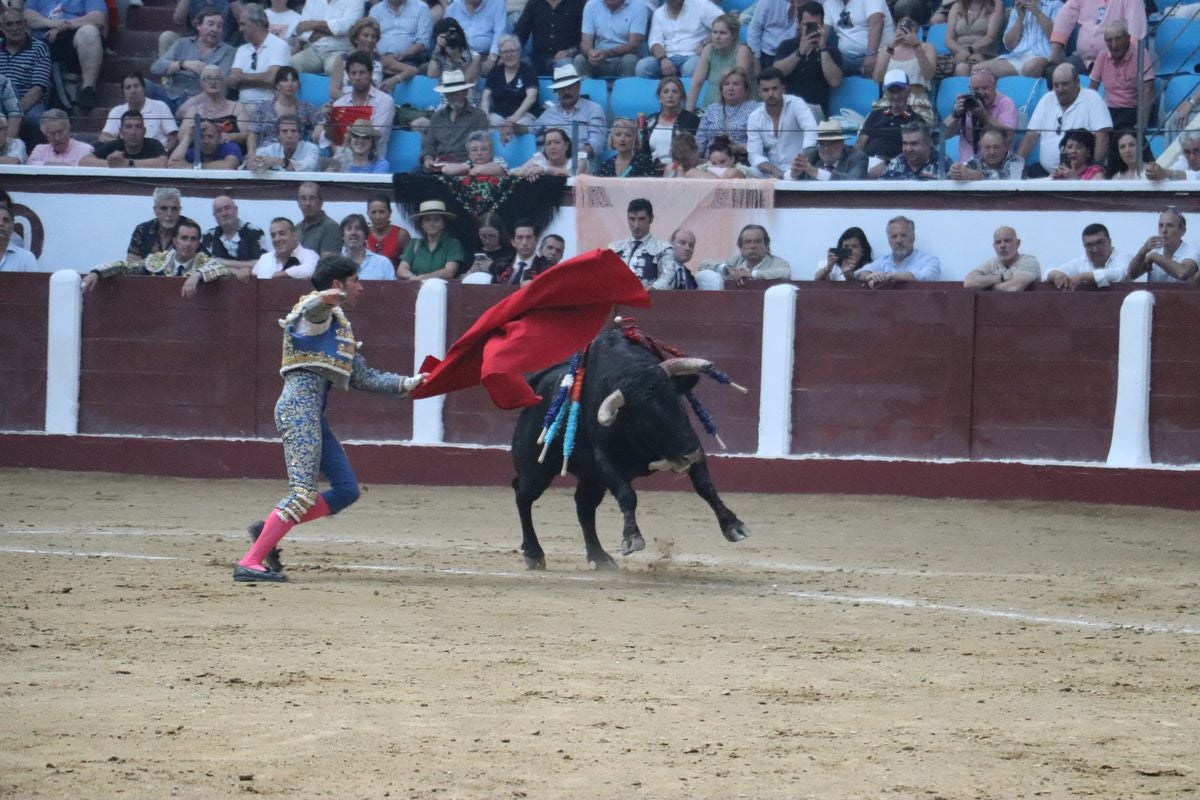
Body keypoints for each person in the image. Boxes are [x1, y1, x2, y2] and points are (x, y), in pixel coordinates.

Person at [234, 254, 426, 582]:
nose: (361, 288)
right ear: (338, 285)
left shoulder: (338, 328)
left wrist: (408, 383)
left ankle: (267, 530)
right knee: (302, 491)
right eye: (355, 281)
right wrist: (326, 298)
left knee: (347, 490)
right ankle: (249, 562)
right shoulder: (316, 315)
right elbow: (313, 310)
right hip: (299, 412)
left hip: (313, 417)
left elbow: (363, 377)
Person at [83, 220, 238, 298]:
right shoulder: (158, 261)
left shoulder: (204, 262)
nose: (188, 243)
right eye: (184, 238)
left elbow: (224, 269)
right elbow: (125, 267)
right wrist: (97, 272)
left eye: (193, 239)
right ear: (175, 241)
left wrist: (198, 275)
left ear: (198, 243)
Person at [1018, 63, 1111, 178]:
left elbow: (1102, 138)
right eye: (1056, 85)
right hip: (1047, 173)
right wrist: (1016, 166)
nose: (1060, 90)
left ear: (1077, 81)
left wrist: (1091, 172)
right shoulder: (1047, 99)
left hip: (1082, 175)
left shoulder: (1092, 98)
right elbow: (1030, 137)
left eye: (1064, 84)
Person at [24, 0, 105, 112]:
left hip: (73, 40)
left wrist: (65, 25)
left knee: (89, 32)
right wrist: (50, 23)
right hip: (43, 41)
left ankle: (88, 89)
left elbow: (98, 18)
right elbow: (26, 15)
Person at [151, 7, 236, 112]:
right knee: (143, 85)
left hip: (198, 102)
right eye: (210, 24)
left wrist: (190, 104)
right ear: (198, 25)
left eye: (219, 26)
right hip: (171, 95)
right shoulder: (182, 43)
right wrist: (183, 64)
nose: (215, 29)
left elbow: (221, 84)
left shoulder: (228, 51)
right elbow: (156, 68)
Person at [772, 1, 843, 118]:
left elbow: (835, 81)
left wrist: (822, 49)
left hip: (815, 111)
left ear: (822, 25)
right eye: (807, 25)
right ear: (798, 24)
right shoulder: (787, 46)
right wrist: (800, 52)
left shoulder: (831, 50)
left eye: (815, 25)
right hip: (788, 108)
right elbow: (776, 73)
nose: (811, 29)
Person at [746, 67, 819, 178]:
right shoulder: (754, 117)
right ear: (759, 93)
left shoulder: (796, 104)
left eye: (774, 88)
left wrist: (801, 162)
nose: (770, 94)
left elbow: (811, 132)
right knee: (749, 172)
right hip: (772, 172)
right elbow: (754, 154)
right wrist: (773, 170)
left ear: (783, 89)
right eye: (765, 90)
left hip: (801, 168)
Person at [320, 50, 397, 150]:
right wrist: (328, 123)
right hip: (343, 157)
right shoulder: (339, 104)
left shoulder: (385, 101)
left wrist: (347, 131)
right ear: (348, 76)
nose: (357, 77)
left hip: (371, 157)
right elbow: (330, 140)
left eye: (362, 72)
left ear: (370, 74)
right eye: (353, 73)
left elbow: (376, 136)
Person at [533, 64, 607, 165]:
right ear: (557, 91)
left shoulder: (594, 109)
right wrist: (516, 127)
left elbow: (596, 142)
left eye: (570, 87)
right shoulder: (549, 112)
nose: (566, 92)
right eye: (562, 88)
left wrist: (576, 157)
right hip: (551, 161)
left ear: (578, 86)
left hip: (580, 162)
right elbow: (531, 129)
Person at [1088, 21, 1154, 134]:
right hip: (1110, 109)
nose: (1114, 45)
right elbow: (1092, 89)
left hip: (1133, 108)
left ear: (1128, 38)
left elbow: (1148, 90)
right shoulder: (1102, 56)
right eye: (1109, 40)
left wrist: (1142, 123)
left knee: (1109, 129)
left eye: (1118, 39)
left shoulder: (1141, 54)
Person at [420, 68, 490, 173]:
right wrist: (428, 158)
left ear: (465, 92)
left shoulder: (478, 116)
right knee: (411, 175)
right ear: (445, 95)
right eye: (450, 93)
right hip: (439, 163)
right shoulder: (437, 117)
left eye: (457, 93)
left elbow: (482, 146)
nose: (453, 96)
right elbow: (429, 144)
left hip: (465, 165)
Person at [245, 66, 323, 159]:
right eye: (285, 80)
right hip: (267, 153)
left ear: (298, 84)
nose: (290, 84)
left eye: (293, 80)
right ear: (277, 85)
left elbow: (322, 119)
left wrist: (319, 126)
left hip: (295, 155)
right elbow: (253, 134)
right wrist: (251, 153)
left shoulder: (305, 107)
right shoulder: (262, 107)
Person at [940, 67, 1015, 164]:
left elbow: (1008, 136)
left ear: (994, 86)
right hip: (967, 165)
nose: (981, 93)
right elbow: (943, 135)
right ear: (970, 89)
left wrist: (984, 117)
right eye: (976, 89)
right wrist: (955, 115)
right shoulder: (967, 103)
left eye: (985, 88)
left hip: (996, 165)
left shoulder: (1006, 103)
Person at [871, 7, 936, 117]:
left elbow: (929, 75)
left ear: (918, 28)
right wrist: (891, 46)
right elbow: (877, 78)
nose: (906, 29)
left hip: (917, 101)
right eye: (902, 25)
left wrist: (916, 46)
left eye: (911, 25)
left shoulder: (927, 48)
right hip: (890, 100)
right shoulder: (885, 50)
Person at [1048, 0, 1144, 74]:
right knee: (1059, 72)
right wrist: (1055, 51)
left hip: (1116, 63)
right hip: (1084, 60)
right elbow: (1066, 15)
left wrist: (1127, 63)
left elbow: (1136, 31)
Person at [636, 0, 721, 80]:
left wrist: (705, 44)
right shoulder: (658, 13)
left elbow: (723, 24)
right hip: (667, 56)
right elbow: (655, 42)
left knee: (691, 67)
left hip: (693, 55)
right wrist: (663, 59)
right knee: (643, 67)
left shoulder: (701, 5)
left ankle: (689, 91)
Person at [685, 14, 754, 113]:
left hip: (735, 110)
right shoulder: (708, 49)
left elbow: (740, 86)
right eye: (714, 32)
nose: (717, 37)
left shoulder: (742, 51)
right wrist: (687, 114)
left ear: (734, 35)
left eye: (722, 33)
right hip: (708, 109)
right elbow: (697, 83)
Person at [0, 8, 51, 141]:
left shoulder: (39, 48)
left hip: (30, 104)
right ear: (2, 27)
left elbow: (38, 89)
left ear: (25, 24)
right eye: (9, 24)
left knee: (36, 121)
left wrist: (14, 111)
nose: (15, 28)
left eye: (19, 23)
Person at [976, 0, 1060, 79]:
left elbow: (1057, 37)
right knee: (977, 70)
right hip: (1018, 56)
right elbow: (1009, 44)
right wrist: (1020, 18)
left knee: (1029, 67)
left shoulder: (1055, 5)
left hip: (1043, 55)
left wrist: (1037, 13)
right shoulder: (1016, 9)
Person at [856, 69, 918, 176]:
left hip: (895, 167)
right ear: (885, 92)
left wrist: (888, 164)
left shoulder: (915, 120)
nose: (896, 96)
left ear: (908, 91)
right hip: (866, 162)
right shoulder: (875, 114)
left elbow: (914, 152)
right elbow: (860, 144)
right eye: (891, 91)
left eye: (899, 90)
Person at [227, 3, 291, 104]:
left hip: (269, 105)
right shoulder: (241, 50)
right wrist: (262, 80)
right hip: (242, 105)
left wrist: (242, 78)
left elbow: (271, 79)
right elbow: (233, 82)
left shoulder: (279, 46)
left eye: (243, 24)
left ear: (257, 24)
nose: (240, 29)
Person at [176, 66, 250, 151]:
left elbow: (249, 135)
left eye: (217, 78)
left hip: (229, 151)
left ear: (223, 82)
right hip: (199, 153)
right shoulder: (193, 110)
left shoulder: (237, 107)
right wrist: (194, 131)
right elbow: (181, 139)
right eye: (208, 78)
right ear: (201, 84)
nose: (213, 82)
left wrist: (233, 136)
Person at [100, 72, 179, 151]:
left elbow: (173, 138)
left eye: (136, 86)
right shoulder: (117, 111)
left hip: (156, 154)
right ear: (123, 93)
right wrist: (126, 145)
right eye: (128, 88)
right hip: (127, 155)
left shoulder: (160, 106)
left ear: (144, 88)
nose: (133, 91)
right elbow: (104, 137)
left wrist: (163, 153)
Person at [695, 65, 760, 160]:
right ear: (721, 89)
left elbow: (761, 143)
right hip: (710, 161)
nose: (730, 88)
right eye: (726, 84)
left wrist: (741, 148)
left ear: (745, 88)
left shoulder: (755, 109)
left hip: (741, 160)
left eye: (736, 84)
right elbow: (700, 142)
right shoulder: (712, 109)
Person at [607, 198, 677, 287]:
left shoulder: (664, 249)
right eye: (632, 219)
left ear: (651, 219)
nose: (636, 225)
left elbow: (668, 278)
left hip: (648, 295)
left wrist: (649, 291)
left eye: (641, 219)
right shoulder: (614, 248)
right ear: (627, 219)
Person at [1044, 222, 1133, 290]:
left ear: (1109, 242)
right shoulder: (1082, 261)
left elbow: (1121, 274)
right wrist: (1057, 275)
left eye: (1099, 243)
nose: (1095, 249)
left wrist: (1084, 276)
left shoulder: (1123, 257)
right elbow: (1047, 273)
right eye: (1089, 245)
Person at [856, 215, 940, 287]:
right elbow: (859, 273)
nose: (899, 241)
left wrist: (888, 276)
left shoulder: (929, 261)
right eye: (894, 236)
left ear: (913, 238)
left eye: (903, 235)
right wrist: (869, 276)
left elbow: (925, 276)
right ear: (889, 241)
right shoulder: (883, 261)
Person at [481, 34, 539, 138]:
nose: (508, 55)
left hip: (523, 115)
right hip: (499, 117)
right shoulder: (495, 72)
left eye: (512, 51)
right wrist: (485, 116)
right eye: (505, 52)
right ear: (500, 54)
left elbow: (531, 97)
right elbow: (485, 96)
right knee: (488, 125)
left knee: (517, 127)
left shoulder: (528, 71)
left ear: (519, 52)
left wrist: (514, 118)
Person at [573, 0, 647, 79]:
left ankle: (627, 87)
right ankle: (585, 87)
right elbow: (585, 42)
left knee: (630, 60)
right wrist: (591, 53)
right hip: (598, 60)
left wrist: (608, 53)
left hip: (622, 59)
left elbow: (634, 44)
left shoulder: (638, 5)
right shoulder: (592, 4)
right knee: (579, 60)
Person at [639, 76, 700, 168]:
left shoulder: (691, 119)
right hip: (652, 168)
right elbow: (644, 150)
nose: (670, 95)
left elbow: (695, 150)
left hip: (681, 168)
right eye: (666, 92)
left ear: (681, 97)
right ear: (660, 97)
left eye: (675, 92)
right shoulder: (651, 120)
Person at [1127, 208, 1199, 284]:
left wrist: (1155, 257)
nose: (1164, 230)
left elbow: (1183, 273)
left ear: (1182, 231)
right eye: (1161, 226)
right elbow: (1132, 275)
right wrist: (1142, 252)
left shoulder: (1192, 250)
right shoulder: (1154, 250)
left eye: (1170, 226)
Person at [819, 0, 891, 77]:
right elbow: (823, 32)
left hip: (878, 55)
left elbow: (876, 23)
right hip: (845, 59)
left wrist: (871, 54)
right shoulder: (829, 3)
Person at [397, 200, 465, 281]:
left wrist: (423, 278)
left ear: (443, 224)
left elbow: (449, 272)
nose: (432, 223)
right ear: (422, 224)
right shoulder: (413, 244)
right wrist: (412, 277)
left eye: (436, 220)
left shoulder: (453, 244)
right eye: (427, 220)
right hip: (415, 287)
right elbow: (401, 270)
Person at [290, 0, 363, 75]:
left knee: (334, 67)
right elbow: (301, 28)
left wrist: (314, 24)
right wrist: (333, 31)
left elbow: (347, 27)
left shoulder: (355, 1)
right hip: (314, 49)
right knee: (292, 63)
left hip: (339, 49)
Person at [513, 0, 584, 76]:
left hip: (564, 59)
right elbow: (520, 33)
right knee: (513, 67)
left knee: (566, 68)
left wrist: (570, 51)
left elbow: (585, 40)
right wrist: (511, 52)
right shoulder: (533, 4)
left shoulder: (577, 4)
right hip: (537, 58)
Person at [127, 186, 198, 262]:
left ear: (179, 210)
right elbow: (132, 258)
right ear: (155, 210)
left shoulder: (191, 229)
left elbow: (200, 259)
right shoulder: (142, 230)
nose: (169, 214)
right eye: (164, 208)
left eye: (174, 209)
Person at [201, 194, 267, 274]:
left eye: (227, 208)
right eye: (219, 211)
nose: (224, 213)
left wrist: (224, 262)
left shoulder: (254, 233)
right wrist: (235, 271)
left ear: (236, 210)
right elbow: (203, 265)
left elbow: (262, 264)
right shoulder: (208, 237)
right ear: (214, 216)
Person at [80, 110, 170, 168]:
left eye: (138, 127)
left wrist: (128, 163)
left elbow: (164, 163)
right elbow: (84, 161)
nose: (133, 132)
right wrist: (112, 163)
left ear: (144, 131)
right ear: (121, 132)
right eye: (128, 127)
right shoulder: (114, 145)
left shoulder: (154, 144)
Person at [326, 17, 391, 99]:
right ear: (356, 38)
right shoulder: (342, 59)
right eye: (365, 36)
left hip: (372, 104)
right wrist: (355, 102)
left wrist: (394, 80)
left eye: (373, 36)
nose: (370, 40)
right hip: (346, 102)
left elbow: (407, 70)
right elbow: (333, 92)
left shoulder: (381, 60)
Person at [962, 226, 1041, 290]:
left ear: (1017, 243)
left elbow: (1013, 288)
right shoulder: (991, 263)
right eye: (998, 242)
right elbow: (968, 282)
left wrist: (986, 286)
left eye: (1007, 241)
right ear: (994, 246)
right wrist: (1001, 278)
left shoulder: (1028, 261)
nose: (1002, 246)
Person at [372, 0, 433, 80]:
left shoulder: (421, 7)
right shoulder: (376, 10)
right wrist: (381, 57)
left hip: (407, 59)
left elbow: (422, 42)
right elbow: (369, 37)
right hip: (379, 59)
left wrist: (399, 56)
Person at [788, 119, 867, 180]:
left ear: (842, 143)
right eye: (822, 144)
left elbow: (854, 180)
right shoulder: (810, 156)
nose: (826, 148)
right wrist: (793, 175)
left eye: (831, 144)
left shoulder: (857, 157)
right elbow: (785, 178)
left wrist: (816, 172)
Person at [945, 0, 1004, 76]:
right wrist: (963, 52)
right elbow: (949, 40)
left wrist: (970, 50)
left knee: (962, 68)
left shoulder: (995, 4)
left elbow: (991, 36)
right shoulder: (957, 6)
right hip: (959, 54)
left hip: (984, 54)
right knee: (959, 67)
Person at [715, 223, 791, 281]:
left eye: (757, 241)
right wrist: (726, 269)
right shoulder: (737, 260)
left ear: (767, 245)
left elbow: (785, 273)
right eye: (747, 242)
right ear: (740, 247)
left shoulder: (776, 262)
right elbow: (708, 264)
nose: (752, 246)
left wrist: (751, 274)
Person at [444, 0, 505, 71]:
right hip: (458, 53)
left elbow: (500, 33)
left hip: (485, 56)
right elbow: (444, 31)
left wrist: (492, 59)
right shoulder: (454, 6)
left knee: (476, 61)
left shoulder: (497, 3)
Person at [253, 217, 320, 279]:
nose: (277, 239)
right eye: (273, 235)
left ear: (295, 236)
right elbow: (253, 281)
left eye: (282, 233)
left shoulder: (309, 255)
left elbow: (310, 270)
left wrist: (282, 274)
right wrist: (247, 273)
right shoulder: (265, 259)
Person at [249, 112, 320, 171]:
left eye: (293, 131)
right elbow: (256, 161)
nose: (289, 135)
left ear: (300, 134)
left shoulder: (311, 148)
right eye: (284, 131)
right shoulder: (271, 149)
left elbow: (308, 166)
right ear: (278, 135)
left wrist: (280, 162)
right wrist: (257, 163)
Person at [881, 121, 952, 180]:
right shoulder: (896, 163)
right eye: (905, 143)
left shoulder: (944, 164)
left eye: (914, 143)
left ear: (928, 143)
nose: (908, 149)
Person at [426, 16, 480, 90]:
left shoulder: (474, 57)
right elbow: (431, 74)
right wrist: (437, 48)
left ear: (459, 35)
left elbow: (466, 82)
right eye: (443, 37)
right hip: (445, 97)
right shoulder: (439, 55)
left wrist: (455, 57)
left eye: (450, 36)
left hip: (467, 96)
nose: (448, 39)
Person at [949, 127, 1024, 180]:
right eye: (987, 147)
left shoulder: (1016, 161)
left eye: (996, 147)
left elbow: (1006, 178)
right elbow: (962, 170)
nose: (992, 152)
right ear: (980, 148)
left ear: (1006, 147)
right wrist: (956, 171)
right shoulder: (976, 160)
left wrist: (977, 175)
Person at [168, 118, 243, 168]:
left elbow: (229, 166)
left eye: (210, 137)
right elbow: (172, 164)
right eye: (201, 137)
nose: (206, 141)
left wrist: (192, 167)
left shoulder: (230, 147)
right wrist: (189, 136)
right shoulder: (194, 151)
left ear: (219, 138)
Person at [27, 108, 92, 165]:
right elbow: (30, 164)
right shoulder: (40, 150)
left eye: (60, 132)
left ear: (69, 129)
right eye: (52, 134)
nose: (57, 138)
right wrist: (62, 166)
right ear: (45, 134)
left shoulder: (84, 150)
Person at [340, 213, 395, 280]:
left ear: (365, 235)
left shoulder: (383, 263)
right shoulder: (335, 265)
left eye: (358, 228)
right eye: (349, 229)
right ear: (343, 236)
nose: (353, 233)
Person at [366, 193, 411, 271]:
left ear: (390, 213)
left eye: (382, 212)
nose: (378, 217)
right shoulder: (363, 234)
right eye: (373, 212)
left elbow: (410, 263)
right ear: (368, 214)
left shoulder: (401, 235)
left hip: (395, 278)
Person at [296, 181, 342, 256]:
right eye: (303, 199)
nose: (307, 203)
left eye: (312, 198)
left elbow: (328, 262)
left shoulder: (331, 227)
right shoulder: (296, 229)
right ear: (298, 203)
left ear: (321, 202)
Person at [465, 211, 514, 279]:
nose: (487, 240)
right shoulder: (472, 252)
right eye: (483, 236)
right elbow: (459, 279)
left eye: (492, 236)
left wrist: (493, 268)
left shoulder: (510, 253)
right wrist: (471, 271)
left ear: (500, 233)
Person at [440, 128, 507, 176]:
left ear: (491, 151)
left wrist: (471, 170)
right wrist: (469, 167)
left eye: (483, 149)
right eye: (474, 150)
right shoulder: (468, 165)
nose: (479, 153)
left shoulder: (498, 161)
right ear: (469, 153)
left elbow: (478, 171)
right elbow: (445, 170)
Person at [495, 219, 543, 284]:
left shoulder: (545, 268)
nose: (524, 243)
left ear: (536, 240)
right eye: (520, 238)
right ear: (513, 242)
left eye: (529, 237)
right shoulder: (501, 266)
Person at [0, 205, 39, 272]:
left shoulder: (26, 258)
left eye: (6, 220)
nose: (1, 223)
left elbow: (34, 279)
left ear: (13, 226)